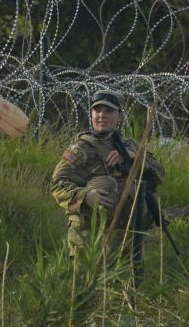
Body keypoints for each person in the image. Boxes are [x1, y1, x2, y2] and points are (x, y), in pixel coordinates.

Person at [51, 89, 165, 259]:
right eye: (97, 110)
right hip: (91, 239)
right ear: (91, 114)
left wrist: (134, 158)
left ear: (120, 116)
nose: (101, 115)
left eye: (109, 111)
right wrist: (85, 196)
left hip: (128, 237)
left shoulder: (129, 146)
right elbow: (58, 184)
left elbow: (159, 173)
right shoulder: (81, 148)